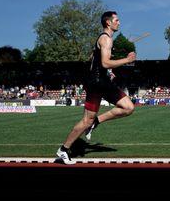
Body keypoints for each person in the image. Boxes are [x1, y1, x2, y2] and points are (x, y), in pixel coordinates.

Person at [55, 11, 136, 165]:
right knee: (86, 121)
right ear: (108, 23)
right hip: (96, 83)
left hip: (102, 80)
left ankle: (96, 122)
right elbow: (105, 62)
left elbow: (94, 59)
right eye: (117, 20)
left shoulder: (104, 39)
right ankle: (64, 150)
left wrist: (108, 72)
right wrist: (127, 59)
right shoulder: (106, 39)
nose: (119, 22)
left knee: (128, 107)